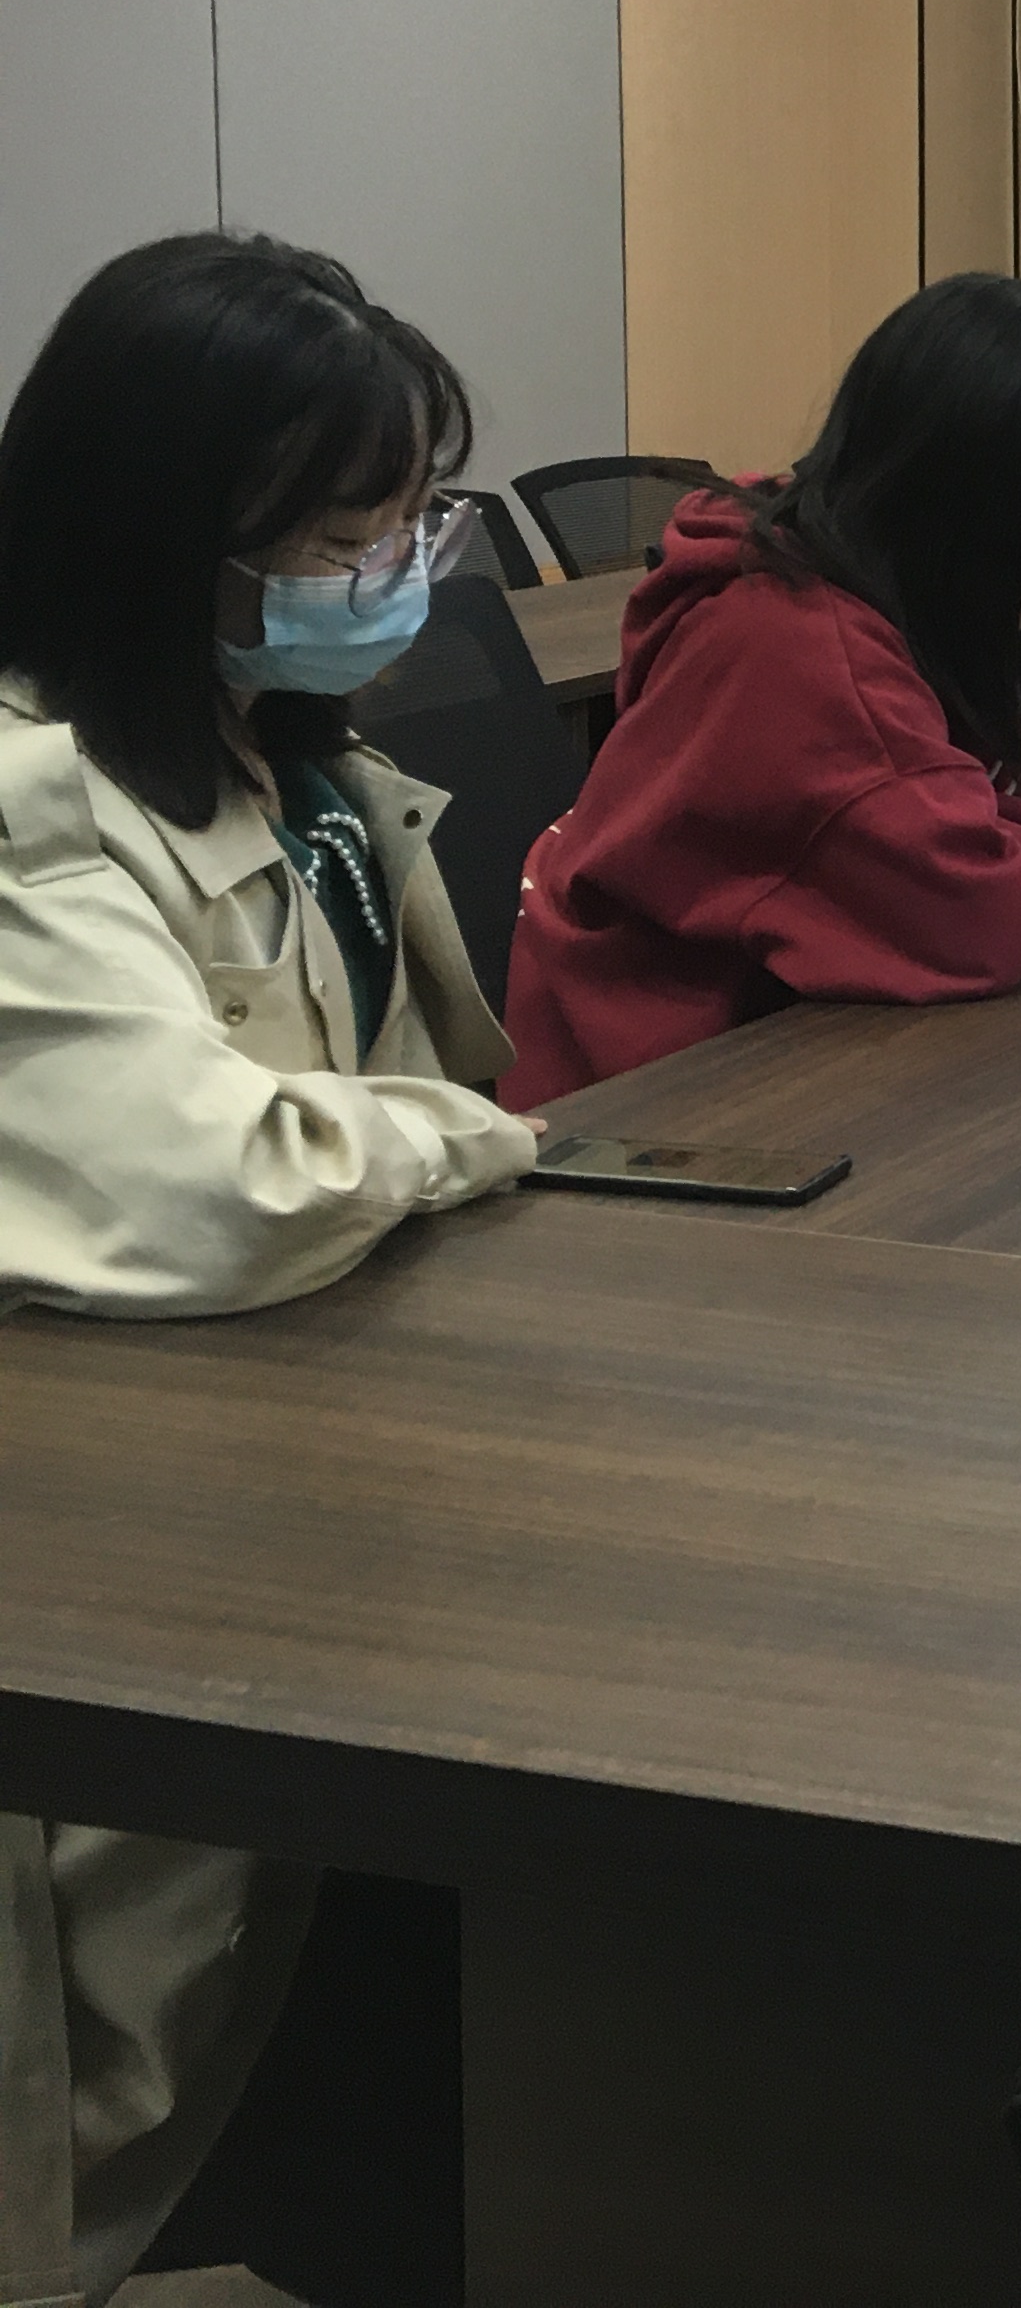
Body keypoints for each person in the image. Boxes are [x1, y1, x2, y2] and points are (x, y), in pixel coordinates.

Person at [0, 230, 539, 2305]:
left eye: (415, 519)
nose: (394, 573)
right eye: (343, 536)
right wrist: (458, 1144)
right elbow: (225, 1177)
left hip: (298, 1447)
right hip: (110, 1540)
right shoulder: (37, 808)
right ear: (164, 533)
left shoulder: (284, 756)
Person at [505, 274, 1021, 1104]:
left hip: (821, 1045)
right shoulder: (789, 643)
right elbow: (983, 915)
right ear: (952, 484)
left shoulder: (990, 607)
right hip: (660, 1093)